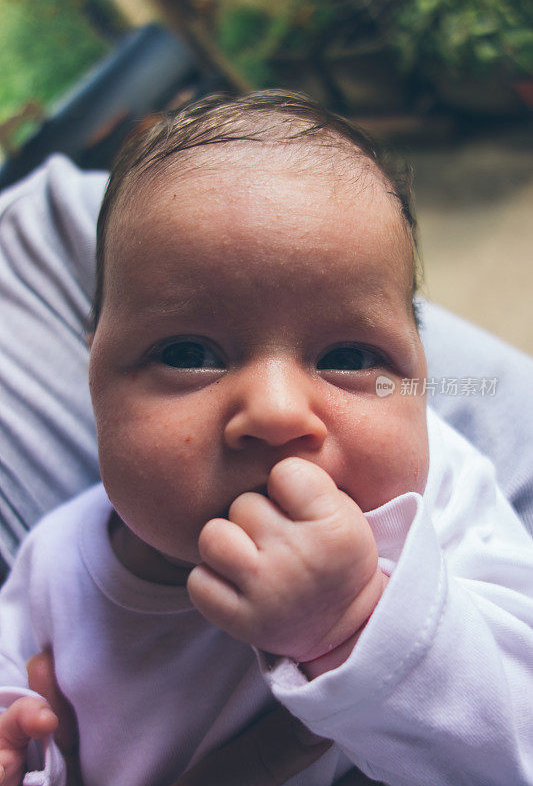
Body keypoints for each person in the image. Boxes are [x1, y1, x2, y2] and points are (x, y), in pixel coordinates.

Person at [0, 91, 532, 786]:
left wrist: (353, 624)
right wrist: (22, 741)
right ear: (93, 380)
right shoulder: (51, 564)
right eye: (189, 353)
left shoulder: (437, 499)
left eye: (346, 358)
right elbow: (26, 705)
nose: (277, 413)